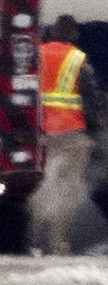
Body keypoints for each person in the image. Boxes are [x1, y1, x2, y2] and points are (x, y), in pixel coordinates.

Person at [41, 23, 94, 253]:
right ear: (73, 34)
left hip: (38, 133)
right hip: (70, 133)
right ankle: (58, 243)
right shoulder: (77, 59)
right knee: (66, 189)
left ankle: (33, 240)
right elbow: (91, 98)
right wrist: (94, 131)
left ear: (53, 31)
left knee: (41, 186)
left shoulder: (36, 53)